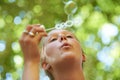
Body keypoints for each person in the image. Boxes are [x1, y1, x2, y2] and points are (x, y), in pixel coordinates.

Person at [19, 24, 86, 80]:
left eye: (69, 36)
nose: (62, 36)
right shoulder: (33, 61)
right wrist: (31, 61)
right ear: (45, 64)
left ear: (83, 56)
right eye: (53, 39)